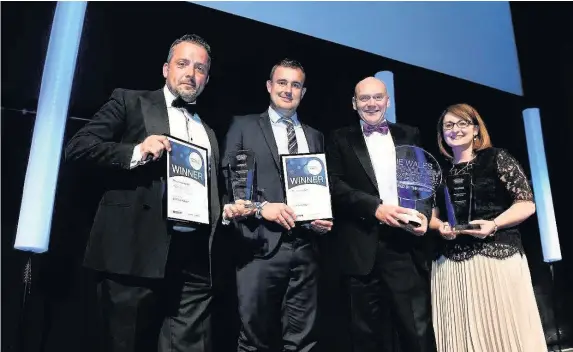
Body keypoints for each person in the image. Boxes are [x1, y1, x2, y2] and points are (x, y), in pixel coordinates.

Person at [65, 34, 222, 352]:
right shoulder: (130, 100)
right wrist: (136, 151)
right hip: (134, 251)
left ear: (206, 78)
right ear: (166, 69)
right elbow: (78, 148)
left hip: (192, 259)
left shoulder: (210, 132)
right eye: (183, 64)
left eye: (200, 68)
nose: (191, 73)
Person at [221, 58, 333, 352]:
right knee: (253, 339)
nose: (288, 90)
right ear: (269, 86)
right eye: (282, 82)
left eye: (295, 85)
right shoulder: (243, 125)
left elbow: (319, 189)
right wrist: (261, 207)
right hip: (259, 246)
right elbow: (229, 183)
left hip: (306, 248)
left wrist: (320, 218)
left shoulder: (315, 136)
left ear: (303, 92)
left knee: (304, 342)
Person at [326, 76, 436, 352]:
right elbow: (335, 185)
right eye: (364, 98)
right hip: (360, 247)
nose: (371, 103)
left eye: (377, 97)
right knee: (364, 336)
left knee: (417, 331)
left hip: (404, 245)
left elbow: (422, 181)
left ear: (387, 101)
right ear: (354, 103)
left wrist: (422, 215)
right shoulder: (339, 138)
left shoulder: (410, 134)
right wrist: (375, 208)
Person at [429, 103, 546, 352]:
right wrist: (441, 227)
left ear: (475, 130)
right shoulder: (437, 171)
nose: (455, 129)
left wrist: (493, 224)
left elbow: (526, 204)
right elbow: (431, 214)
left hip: (496, 257)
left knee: (505, 330)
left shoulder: (496, 158)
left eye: (462, 123)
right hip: (451, 264)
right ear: (442, 134)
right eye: (448, 125)